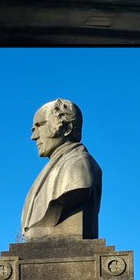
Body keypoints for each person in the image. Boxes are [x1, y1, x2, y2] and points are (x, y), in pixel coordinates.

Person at [20, 99, 102, 239]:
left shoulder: (79, 163)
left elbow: (79, 188)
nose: (34, 137)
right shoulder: (54, 168)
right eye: (34, 129)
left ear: (66, 128)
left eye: (40, 126)